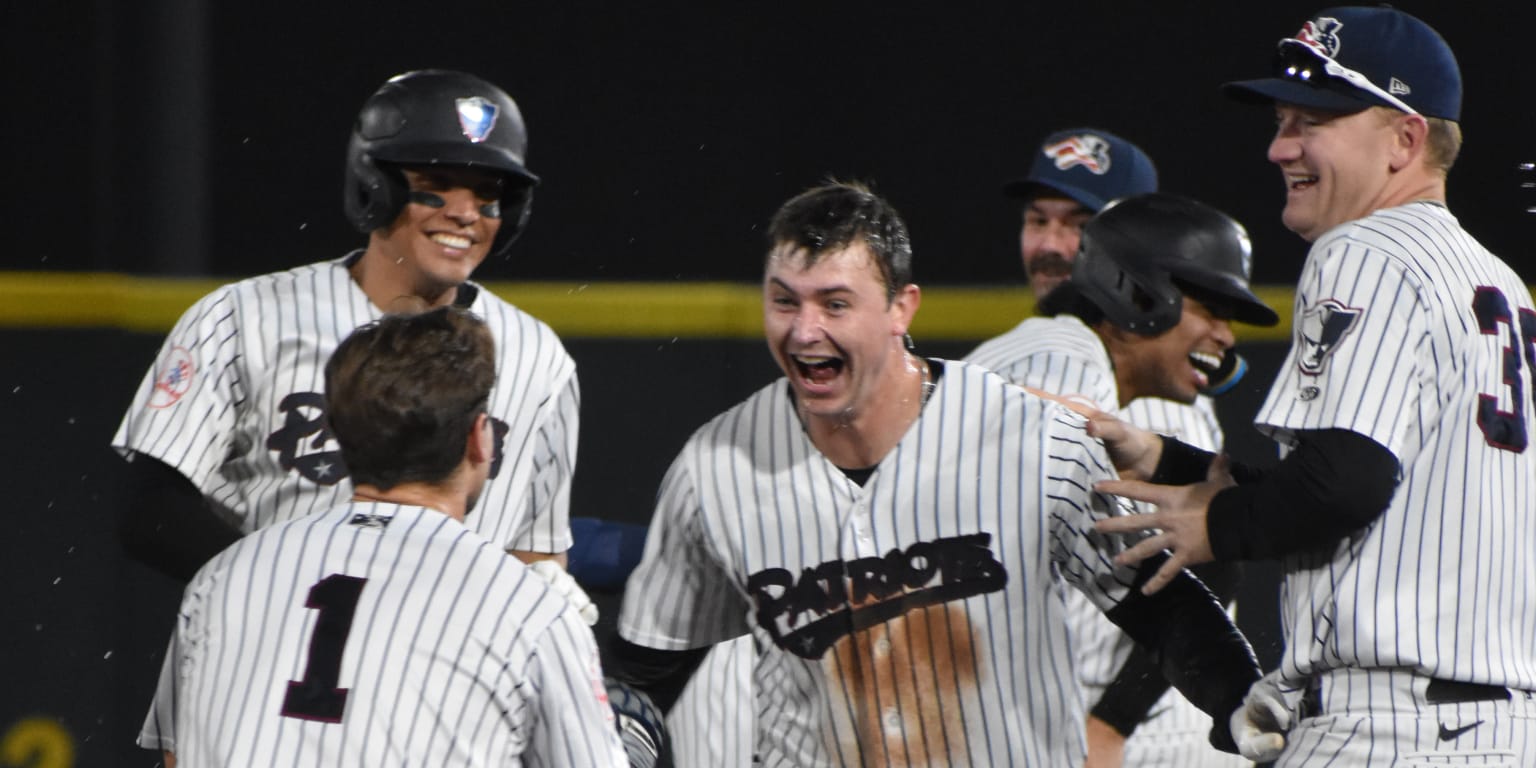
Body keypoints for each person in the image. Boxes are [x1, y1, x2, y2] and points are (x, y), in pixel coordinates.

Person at [609, 180, 1265, 766]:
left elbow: (1166, 607)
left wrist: (1241, 704)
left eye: (835, 304)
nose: (805, 331)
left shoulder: (1030, 434)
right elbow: (650, 671)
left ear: (903, 308)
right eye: (785, 302)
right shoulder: (713, 466)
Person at [1087, 7, 1536, 765]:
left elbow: (1341, 487)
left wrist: (1216, 524)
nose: (1279, 147)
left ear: (1405, 138)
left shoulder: (1364, 248)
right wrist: (1170, 461)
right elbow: (1385, 497)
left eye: (1313, 122)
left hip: (1391, 730)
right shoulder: (1498, 282)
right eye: (1282, 120)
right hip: (1499, 727)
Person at [112, 69, 598, 752]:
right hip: (257, 672)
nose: (465, 212)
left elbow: (534, 554)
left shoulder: (538, 359)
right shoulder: (244, 318)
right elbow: (151, 517)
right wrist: (297, 589)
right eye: (437, 183)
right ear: (376, 183)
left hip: (435, 699)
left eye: (489, 194)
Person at [143, 307, 627, 767]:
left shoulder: (222, 577)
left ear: (341, 437)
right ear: (481, 438)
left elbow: (173, 757)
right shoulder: (527, 607)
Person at [970, 191, 1279, 768]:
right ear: (1140, 295)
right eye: (1211, 310)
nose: (1226, 336)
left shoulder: (1061, 353)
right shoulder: (1064, 367)